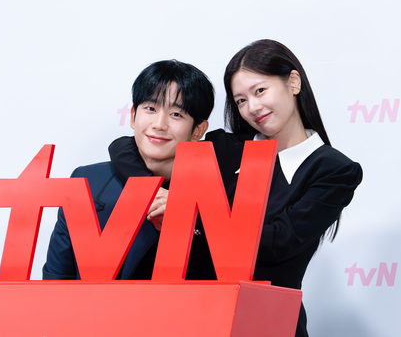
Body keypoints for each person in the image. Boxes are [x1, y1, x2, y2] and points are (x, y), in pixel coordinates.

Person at [109, 40, 363, 337]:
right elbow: (126, 147)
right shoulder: (226, 147)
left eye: (260, 91)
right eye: (240, 100)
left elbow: (279, 243)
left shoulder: (334, 170)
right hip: (199, 318)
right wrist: (149, 193)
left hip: (267, 323)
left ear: (293, 83)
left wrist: (187, 209)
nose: (253, 107)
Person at [42, 59, 216, 280]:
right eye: (150, 109)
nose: (159, 124)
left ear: (198, 130)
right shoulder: (87, 181)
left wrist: (189, 217)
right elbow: (55, 281)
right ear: (133, 116)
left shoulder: (217, 194)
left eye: (176, 115)